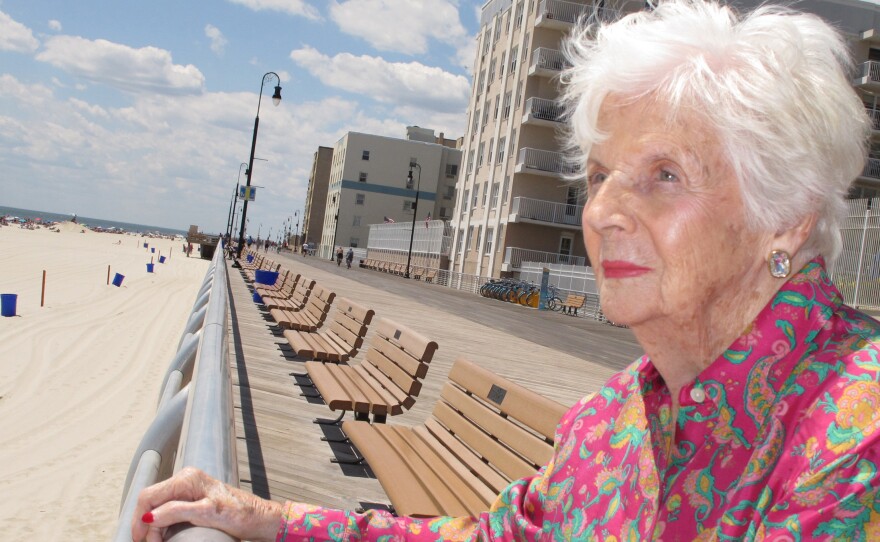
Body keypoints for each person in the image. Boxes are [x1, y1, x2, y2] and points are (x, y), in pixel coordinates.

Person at [132, 2, 880, 540]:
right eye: (598, 174)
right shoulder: (611, 423)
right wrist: (269, 520)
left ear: (785, 215)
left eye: (665, 176)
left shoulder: (854, 434)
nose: (604, 211)